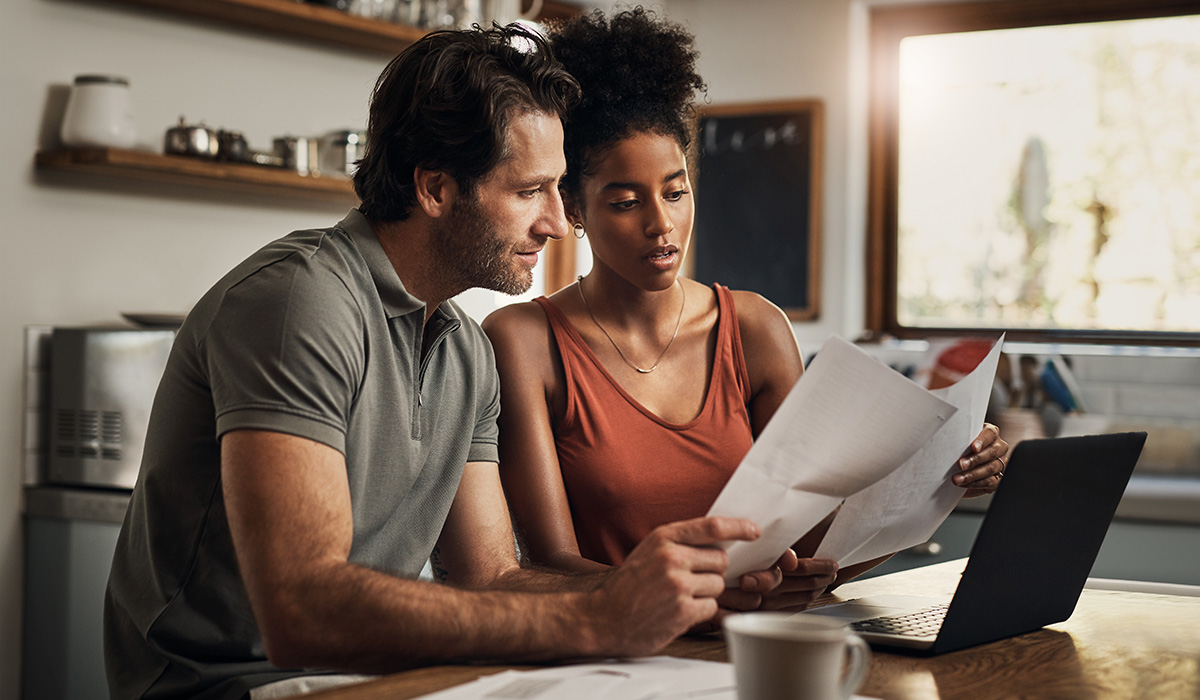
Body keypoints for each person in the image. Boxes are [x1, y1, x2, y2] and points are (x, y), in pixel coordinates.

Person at [103, 24, 775, 700]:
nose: (553, 221)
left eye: (559, 189)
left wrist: (679, 591)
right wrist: (599, 616)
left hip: (373, 680)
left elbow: (491, 576)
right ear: (434, 188)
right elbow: (302, 610)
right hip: (225, 685)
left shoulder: (463, 347)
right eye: (527, 191)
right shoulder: (299, 301)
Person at [482, 7, 1008, 616]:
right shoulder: (524, 341)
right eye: (625, 202)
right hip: (617, 656)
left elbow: (816, 546)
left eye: (677, 192)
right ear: (572, 206)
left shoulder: (754, 329)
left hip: (757, 649)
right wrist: (707, 599)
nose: (662, 225)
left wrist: (941, 480)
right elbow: (550, 566)